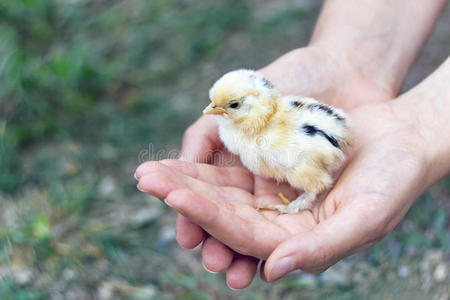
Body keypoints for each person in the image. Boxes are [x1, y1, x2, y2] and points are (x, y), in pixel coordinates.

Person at [135, 0, 450, 290]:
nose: (215, 110)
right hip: (316, 131)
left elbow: (306, 149)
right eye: (216, 104)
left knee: (296, 162)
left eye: (229, 106)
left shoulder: (266, 136)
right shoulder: (260, 119)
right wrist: (348, 60)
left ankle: (308, 195)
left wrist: (421, 129)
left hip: (313, 147)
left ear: (251, 104)